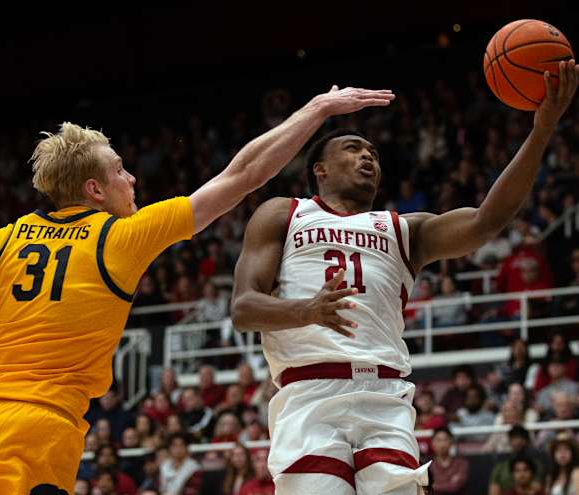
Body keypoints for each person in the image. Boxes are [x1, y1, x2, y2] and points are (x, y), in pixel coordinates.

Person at [0, 85, 391, 492]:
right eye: (120, 170)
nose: (132, 178)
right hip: (35, 430)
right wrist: (317, 110)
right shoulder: (120, 236)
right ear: (95, 190)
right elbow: (243, 176)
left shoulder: (1, 240)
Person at [231, 61, 579, 495]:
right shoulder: (284, 213)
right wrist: (307, 309)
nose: (367, 157)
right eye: (354, 149)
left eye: (373, 154)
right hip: (309, 392)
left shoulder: (404, 229)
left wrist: (541, 129)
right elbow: (243, 309)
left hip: (383, 393)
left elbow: (487, 221)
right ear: (319, 168)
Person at [488, 425, 545, 495]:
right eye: (515, 438)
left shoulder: (536, 464)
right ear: (510, 441)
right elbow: (493, 492)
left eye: (522, 437)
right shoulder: (500, 467)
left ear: (527, 441)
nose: (518, 441)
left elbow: (536, 488)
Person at [427, 428, 469, 495]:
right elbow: (425, 488)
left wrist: (434, 485)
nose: (442, 444)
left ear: (451, 442)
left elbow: (455, 487)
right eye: (438, 440)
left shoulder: (461, 463)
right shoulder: (427, 465)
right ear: (432, 443)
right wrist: (449, 482)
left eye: (445, 440)